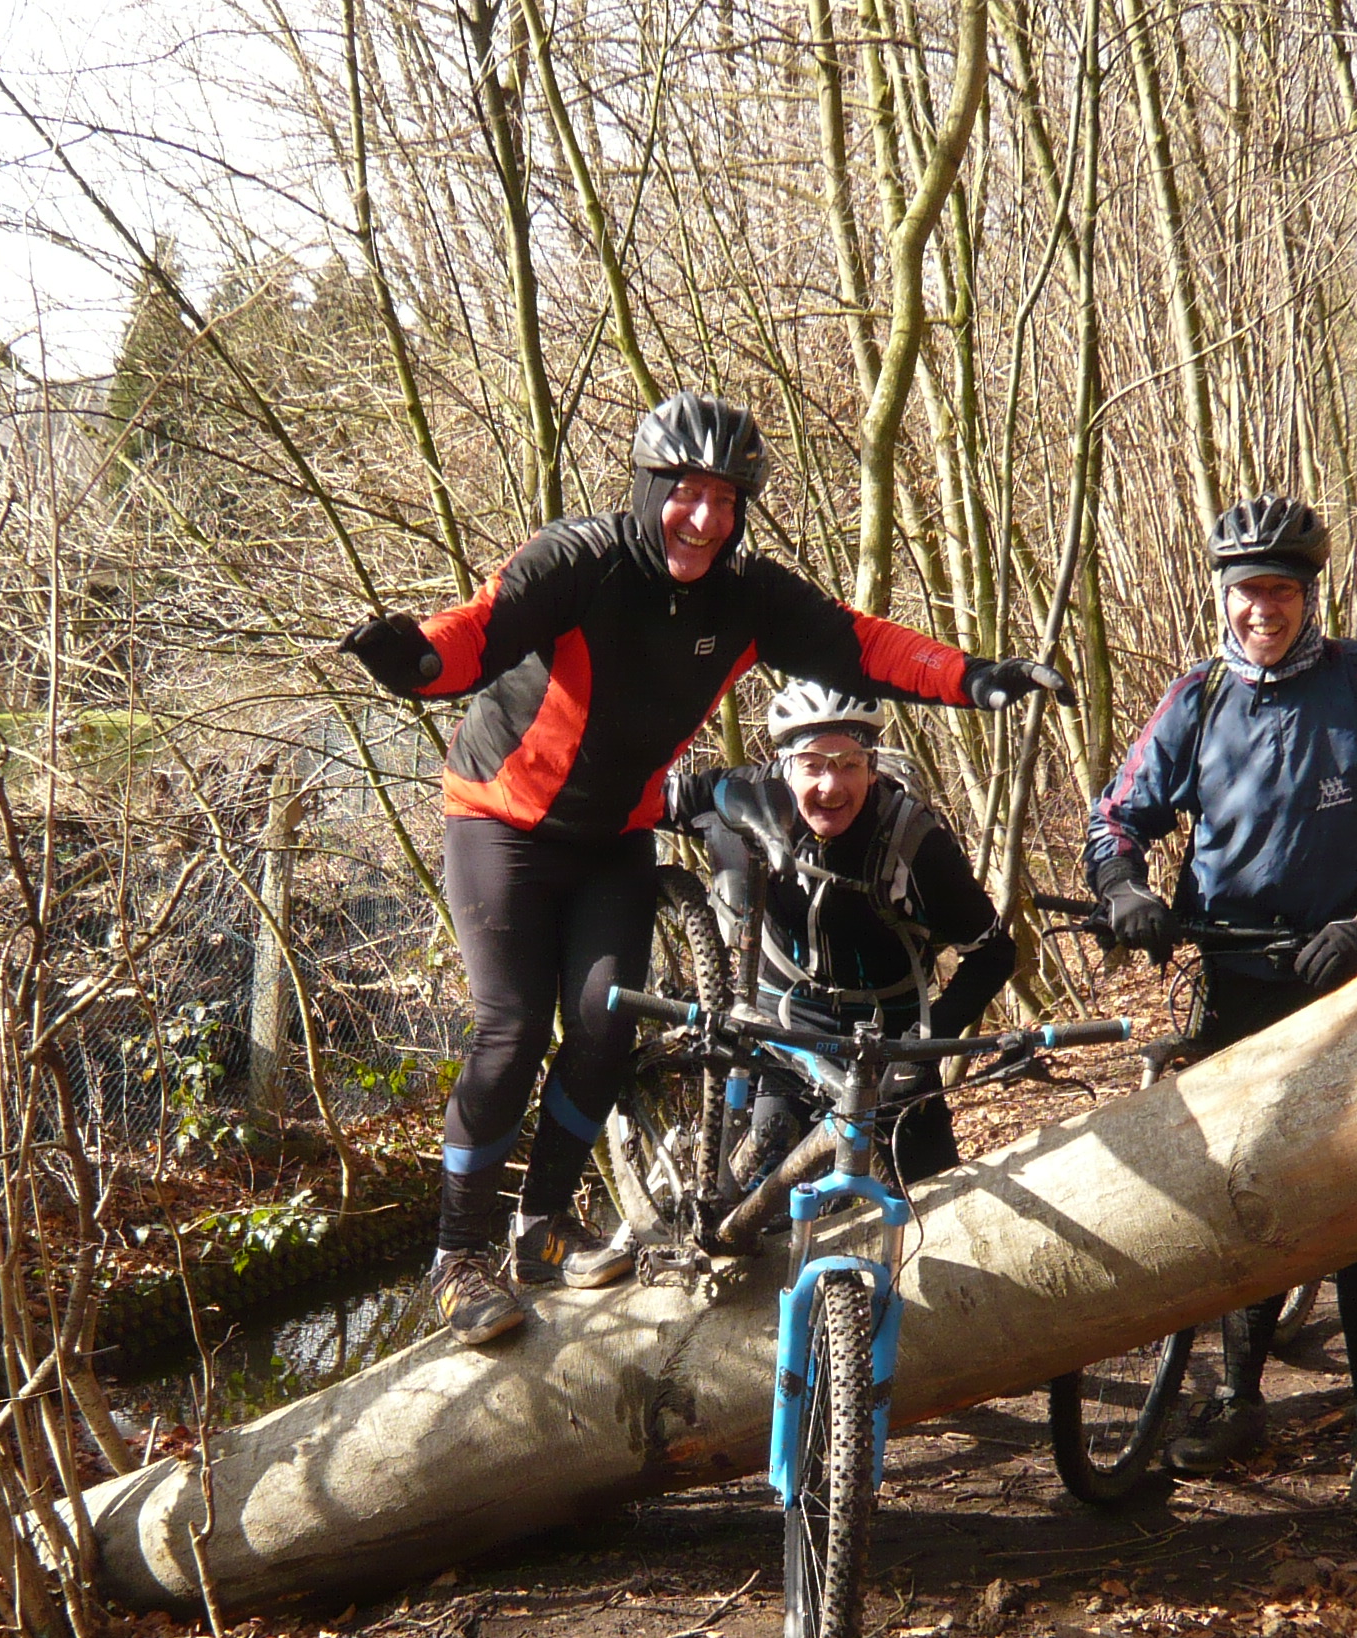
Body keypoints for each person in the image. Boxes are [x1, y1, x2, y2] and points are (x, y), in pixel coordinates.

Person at [340, 391, 1070, 1346]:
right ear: (649, 488)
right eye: (686, 492)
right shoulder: (578, 560)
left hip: (616, 835)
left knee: (605, 1024)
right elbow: (479, 629)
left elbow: (861, 644)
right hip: (502, 822)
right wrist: (416, 663)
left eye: (726, 500)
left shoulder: (746, 598)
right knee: (510, 1030)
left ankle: (541, 1227)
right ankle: (457, 1254)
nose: (705, 518)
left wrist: (973, 678)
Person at [1083, 493, 1357, 1512]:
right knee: (1243, 1187)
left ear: (1309, 595)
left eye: (1280, 590)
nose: (1261, 608)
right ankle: (1239, 1396)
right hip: (1238, 976)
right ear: (1222, 596)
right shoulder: (1201, 697)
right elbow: (1118, 814)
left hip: (1352, 976)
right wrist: (1125, 889)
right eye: (1245, 590)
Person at [665, 678, 1016, 1191]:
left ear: (872, 767)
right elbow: (637, 800)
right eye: (813, 765)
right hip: (784, 1036)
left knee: (929, 1201)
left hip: (889, 1040)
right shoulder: (741, 799)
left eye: (850, 764)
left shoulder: (913, 840)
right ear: (784, 764)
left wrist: (923, 1046)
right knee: (763, 1200)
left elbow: (993, 953)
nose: (831, 787)